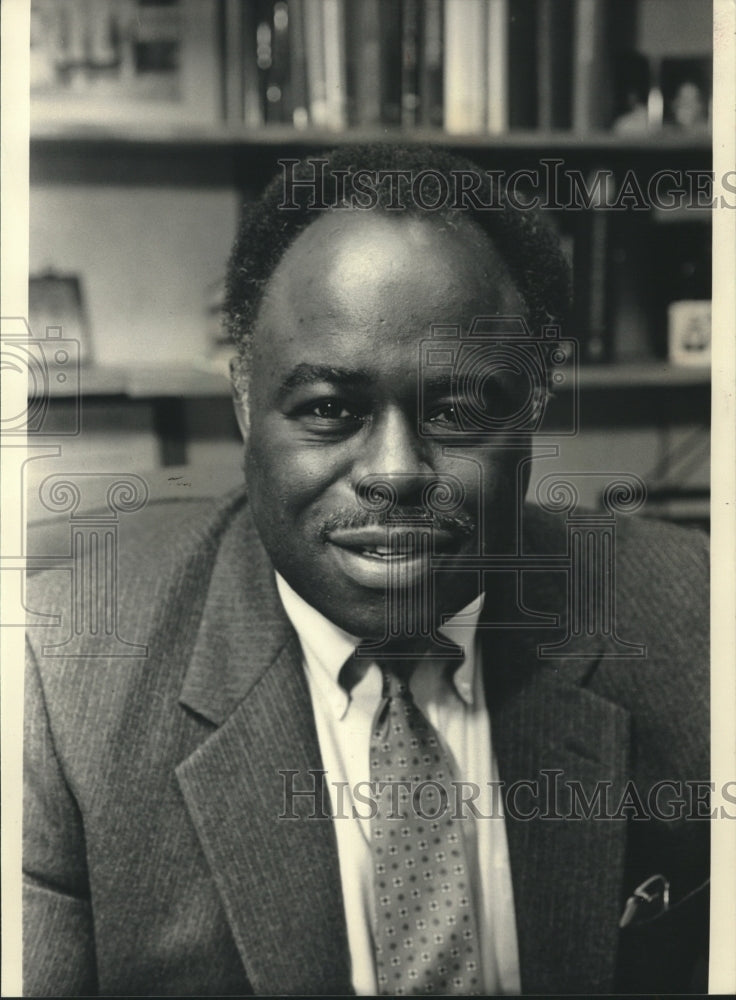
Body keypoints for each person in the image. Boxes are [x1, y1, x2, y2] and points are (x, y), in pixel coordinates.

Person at [24, 145, 709, 996]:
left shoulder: (698, 621)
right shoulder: (57, 690)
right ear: (244, 401)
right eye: (329, 410)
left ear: (533, 410)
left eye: (456, 411)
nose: (395, 471)